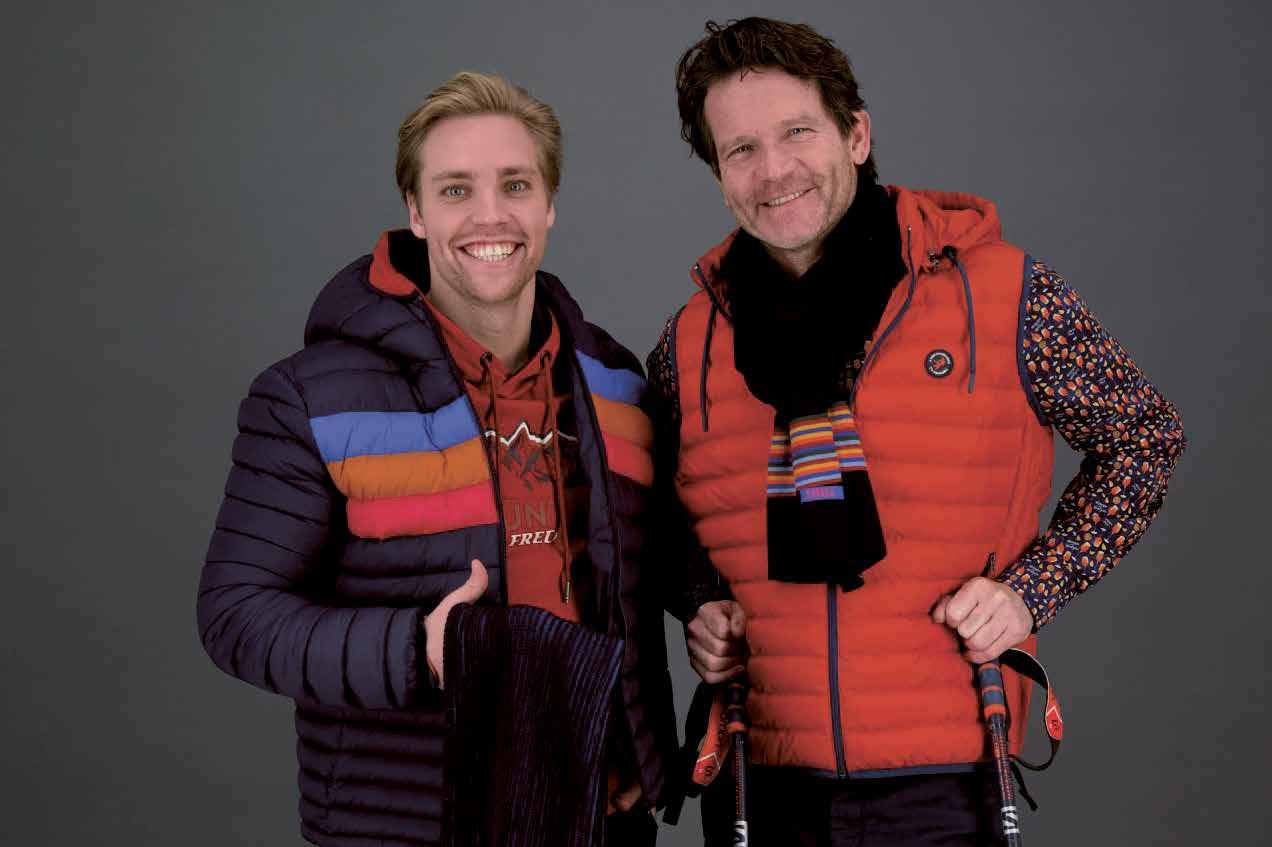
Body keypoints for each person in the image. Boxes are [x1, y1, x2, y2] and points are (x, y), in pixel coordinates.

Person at [647, 18, 1186, 846]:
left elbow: (1145, 437)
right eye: (741, 149)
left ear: (856, 136)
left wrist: (1031, 590)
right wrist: (699, 601)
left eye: (797, 132)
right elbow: (645, 511)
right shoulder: (692, 340)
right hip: (762, 783)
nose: (774, 170)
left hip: (950, 780)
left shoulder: (1002, 293)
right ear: (720, 177)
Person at [197, 71, 675, 847]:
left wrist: (648, 748)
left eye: (515, 184)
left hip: (597, 819)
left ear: (549, 204)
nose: (491, 215)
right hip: (412, 821)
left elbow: (646, 587)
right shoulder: (312, 398)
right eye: (456, 190)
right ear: (415, 212)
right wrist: (416, 649)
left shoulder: (618, 384)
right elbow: (234, 614)